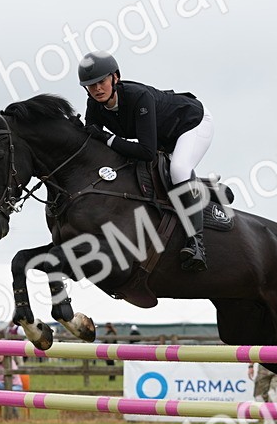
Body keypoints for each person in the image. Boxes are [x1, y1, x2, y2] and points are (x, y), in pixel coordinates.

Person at [78, 50, 213, 272]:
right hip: (162, 136)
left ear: (115, 77)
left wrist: (107, 138)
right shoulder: (94, 104)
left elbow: (146, 151)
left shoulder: (138, 97)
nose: (97, 89)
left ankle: (196, 244)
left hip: (192, 123)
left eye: (101, 82)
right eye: (90, 85)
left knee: (179, 169)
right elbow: (91, 139)